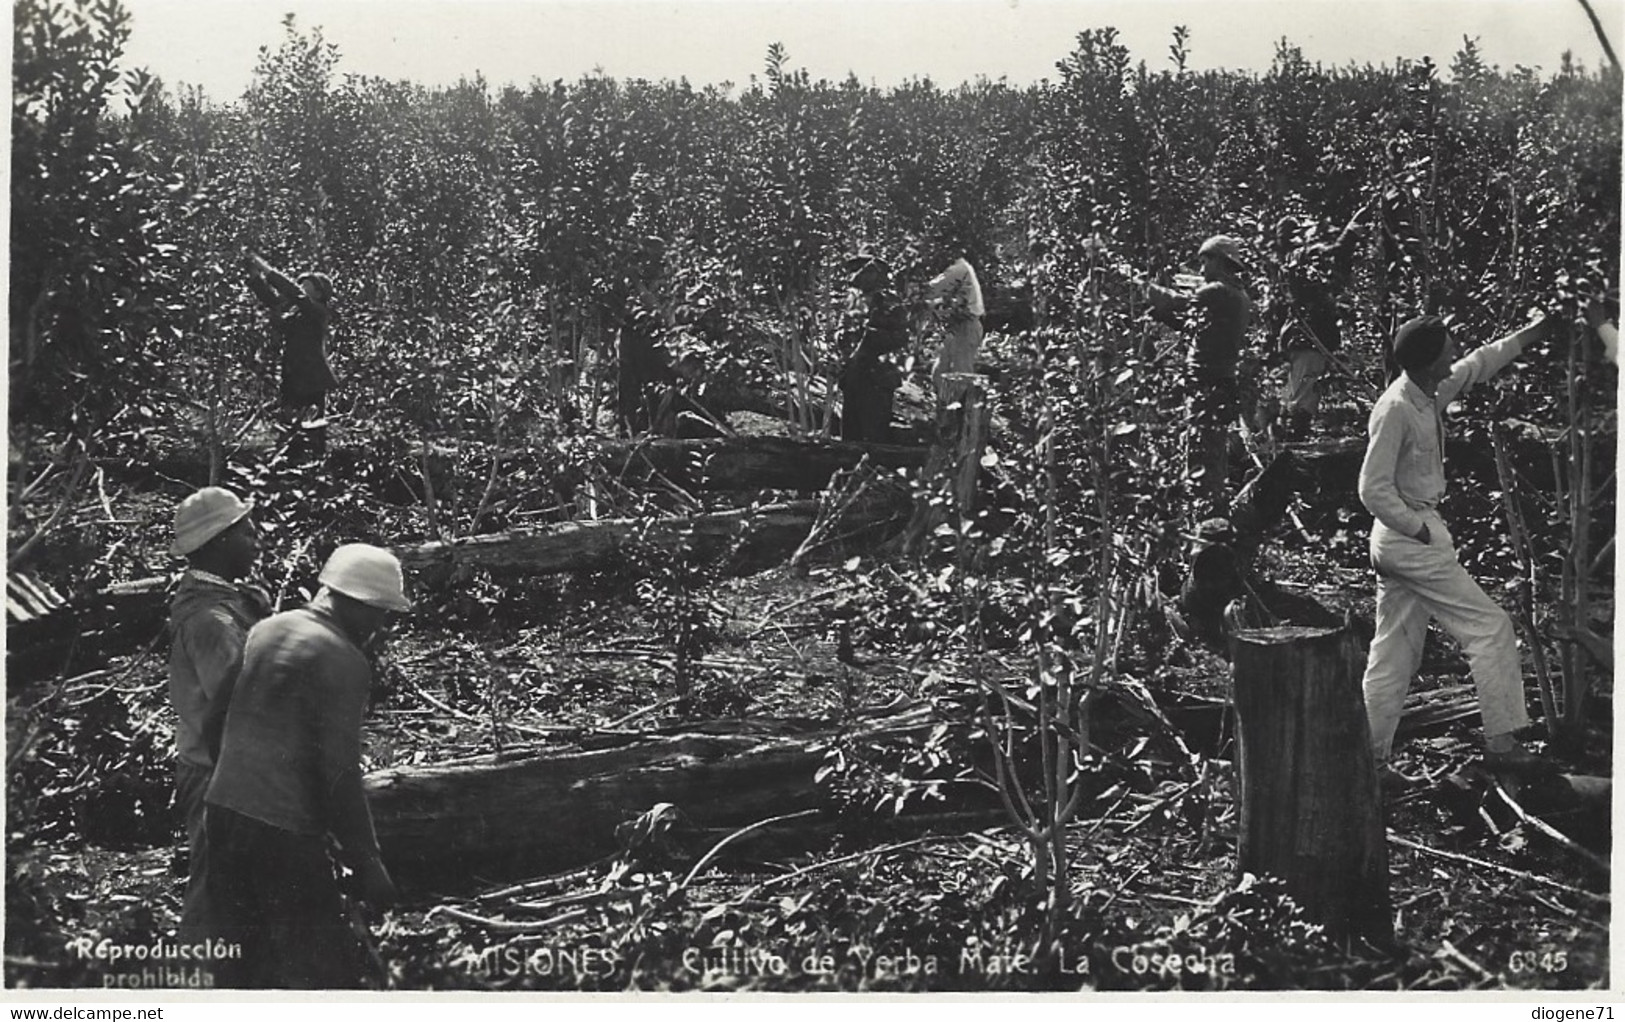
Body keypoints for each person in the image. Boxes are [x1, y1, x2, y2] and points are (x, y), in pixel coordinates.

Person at [1358, 312, 1558, 789]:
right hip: (1409, 539)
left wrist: (1535, 331)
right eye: (1445, 349)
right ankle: (1504, 744)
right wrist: (1418, 529)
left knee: (1393, 656)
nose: (1453, 355)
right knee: (1490, 628)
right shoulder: (1397, 408)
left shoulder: (1427, 393)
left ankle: (1367, 762)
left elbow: (1477, 363)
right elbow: (1371, 487)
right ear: (1426, 361)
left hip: (1404, 539)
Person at [198, 544, 410, 988]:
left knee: (241, 963)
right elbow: (338, 771)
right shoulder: (344, 660)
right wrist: (367, 861)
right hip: (282, 832)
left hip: (222, 811)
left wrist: (237, 781)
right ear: (357, 603)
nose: (380, 626)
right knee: (322, 972)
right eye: (380, 613)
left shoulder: (267, 629)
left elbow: (215, 718)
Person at [168, 487, 270, 937]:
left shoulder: (226, 604)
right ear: (219, 542)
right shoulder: (212, 620)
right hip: (218, 771)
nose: (257, 540)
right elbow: (233, 705)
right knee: (213, 893)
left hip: (224, 767)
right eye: (247, 533)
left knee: (236, 886)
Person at [1146, 235, 1255, 516]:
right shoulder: (1237, 294)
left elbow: (1177, 305)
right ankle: (1211, 512)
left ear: (1220, 262)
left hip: (1207, 384)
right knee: (1210, 452)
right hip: (1219, 382)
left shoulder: (1218, 291)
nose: (1201, 269)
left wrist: (1137, 288)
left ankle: (1206, 519)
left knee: (1200, 454)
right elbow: (1190, 324)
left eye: (1205, 261)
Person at [1265, 205, 1369, 439]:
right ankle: (1292, 444)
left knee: (1297, 392)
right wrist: (1354, 226)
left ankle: (1289, 439)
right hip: (1308, 336)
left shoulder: (1285, 266)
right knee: (1302, 396)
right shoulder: (1301, 258)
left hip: (1297, 336)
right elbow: (1338, 253)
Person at [245, 250, 338, 422]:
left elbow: (294, 293)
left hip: (312, 374)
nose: (302, 287)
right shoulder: (297, 313)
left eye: (307, 285)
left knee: (313, 423)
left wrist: (263, 267)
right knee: (289, 421)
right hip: (293, 371)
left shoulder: (319, 312)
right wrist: (255, 277)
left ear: (318, 294)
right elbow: (274, 302)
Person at [837, 255, 909, 443]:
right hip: (854, 377)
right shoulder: (853, 300)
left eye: (863, 272)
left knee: (874, 439)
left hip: (877, 379)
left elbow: (901, 337)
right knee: (850, 438)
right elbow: (842, 332)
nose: (855, 278)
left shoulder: (889, 301)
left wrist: (872, 337)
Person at [926, 256, 984, 393]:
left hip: (966, 325)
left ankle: (961, 411)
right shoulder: (962, 268)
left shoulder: (959, 269)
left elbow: (932, 289)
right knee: (940, 371)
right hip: (957, 326)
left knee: (961, 374)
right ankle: (944, 407)